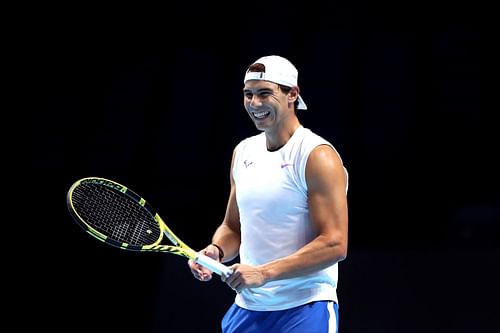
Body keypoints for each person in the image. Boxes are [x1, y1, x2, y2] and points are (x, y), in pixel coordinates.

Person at [188, 55, 349, 332]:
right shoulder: (243, 152)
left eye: (265, 93)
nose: (254, 103)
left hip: (305, 308)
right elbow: (233, 227)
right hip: (248, 308)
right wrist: (216, 251)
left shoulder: (316, 156)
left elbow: (335, 244)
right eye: (248, 94)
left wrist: (264, 273)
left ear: (292, 95)